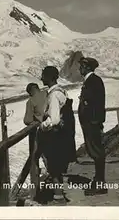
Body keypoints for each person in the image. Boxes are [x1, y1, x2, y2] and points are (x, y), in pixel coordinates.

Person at [77, 57, 108, 195]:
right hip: (90, 123)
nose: (79, 69)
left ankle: (100, 184)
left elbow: (97, 103)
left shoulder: (94, 81)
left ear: (87, 67)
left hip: (92, 123)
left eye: (81, 66)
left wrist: (95, 121)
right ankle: (98, 180)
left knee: (96, 152)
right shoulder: (90, 81)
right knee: (94, 151)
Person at [39, 66, 70, 200]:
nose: (41, 78)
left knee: (53, 165)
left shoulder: (53, 95)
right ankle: (59, 193)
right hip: (63, 134)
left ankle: (58, 196)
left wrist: (42, 126)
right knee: (57, 164)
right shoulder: (62, 91)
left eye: (43, 75)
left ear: (50, 77)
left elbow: (55, 119)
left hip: (55, 135)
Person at [23, 83, 48, 175]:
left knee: (41, 152)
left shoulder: (31, 101)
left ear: (30, 92)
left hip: (43, 129)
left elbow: (27, 120)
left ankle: (50, 176)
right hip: (56, 126)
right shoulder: (47, 93)